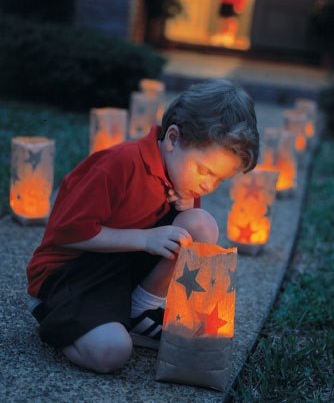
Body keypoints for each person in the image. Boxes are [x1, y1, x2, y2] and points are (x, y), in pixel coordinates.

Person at [26, 79, 260, 374]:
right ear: (173, 139)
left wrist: (186, 208)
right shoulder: (120, 164)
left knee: (201, 225)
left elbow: (178, 236)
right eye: (204, 171)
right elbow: (68, 233)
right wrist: (145, 239)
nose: (208, 185)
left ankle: (140, 310)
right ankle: (56, 318)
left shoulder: (181, 176)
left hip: (122, 267)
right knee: (113, 352)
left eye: (220, 180)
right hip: (72, 274)